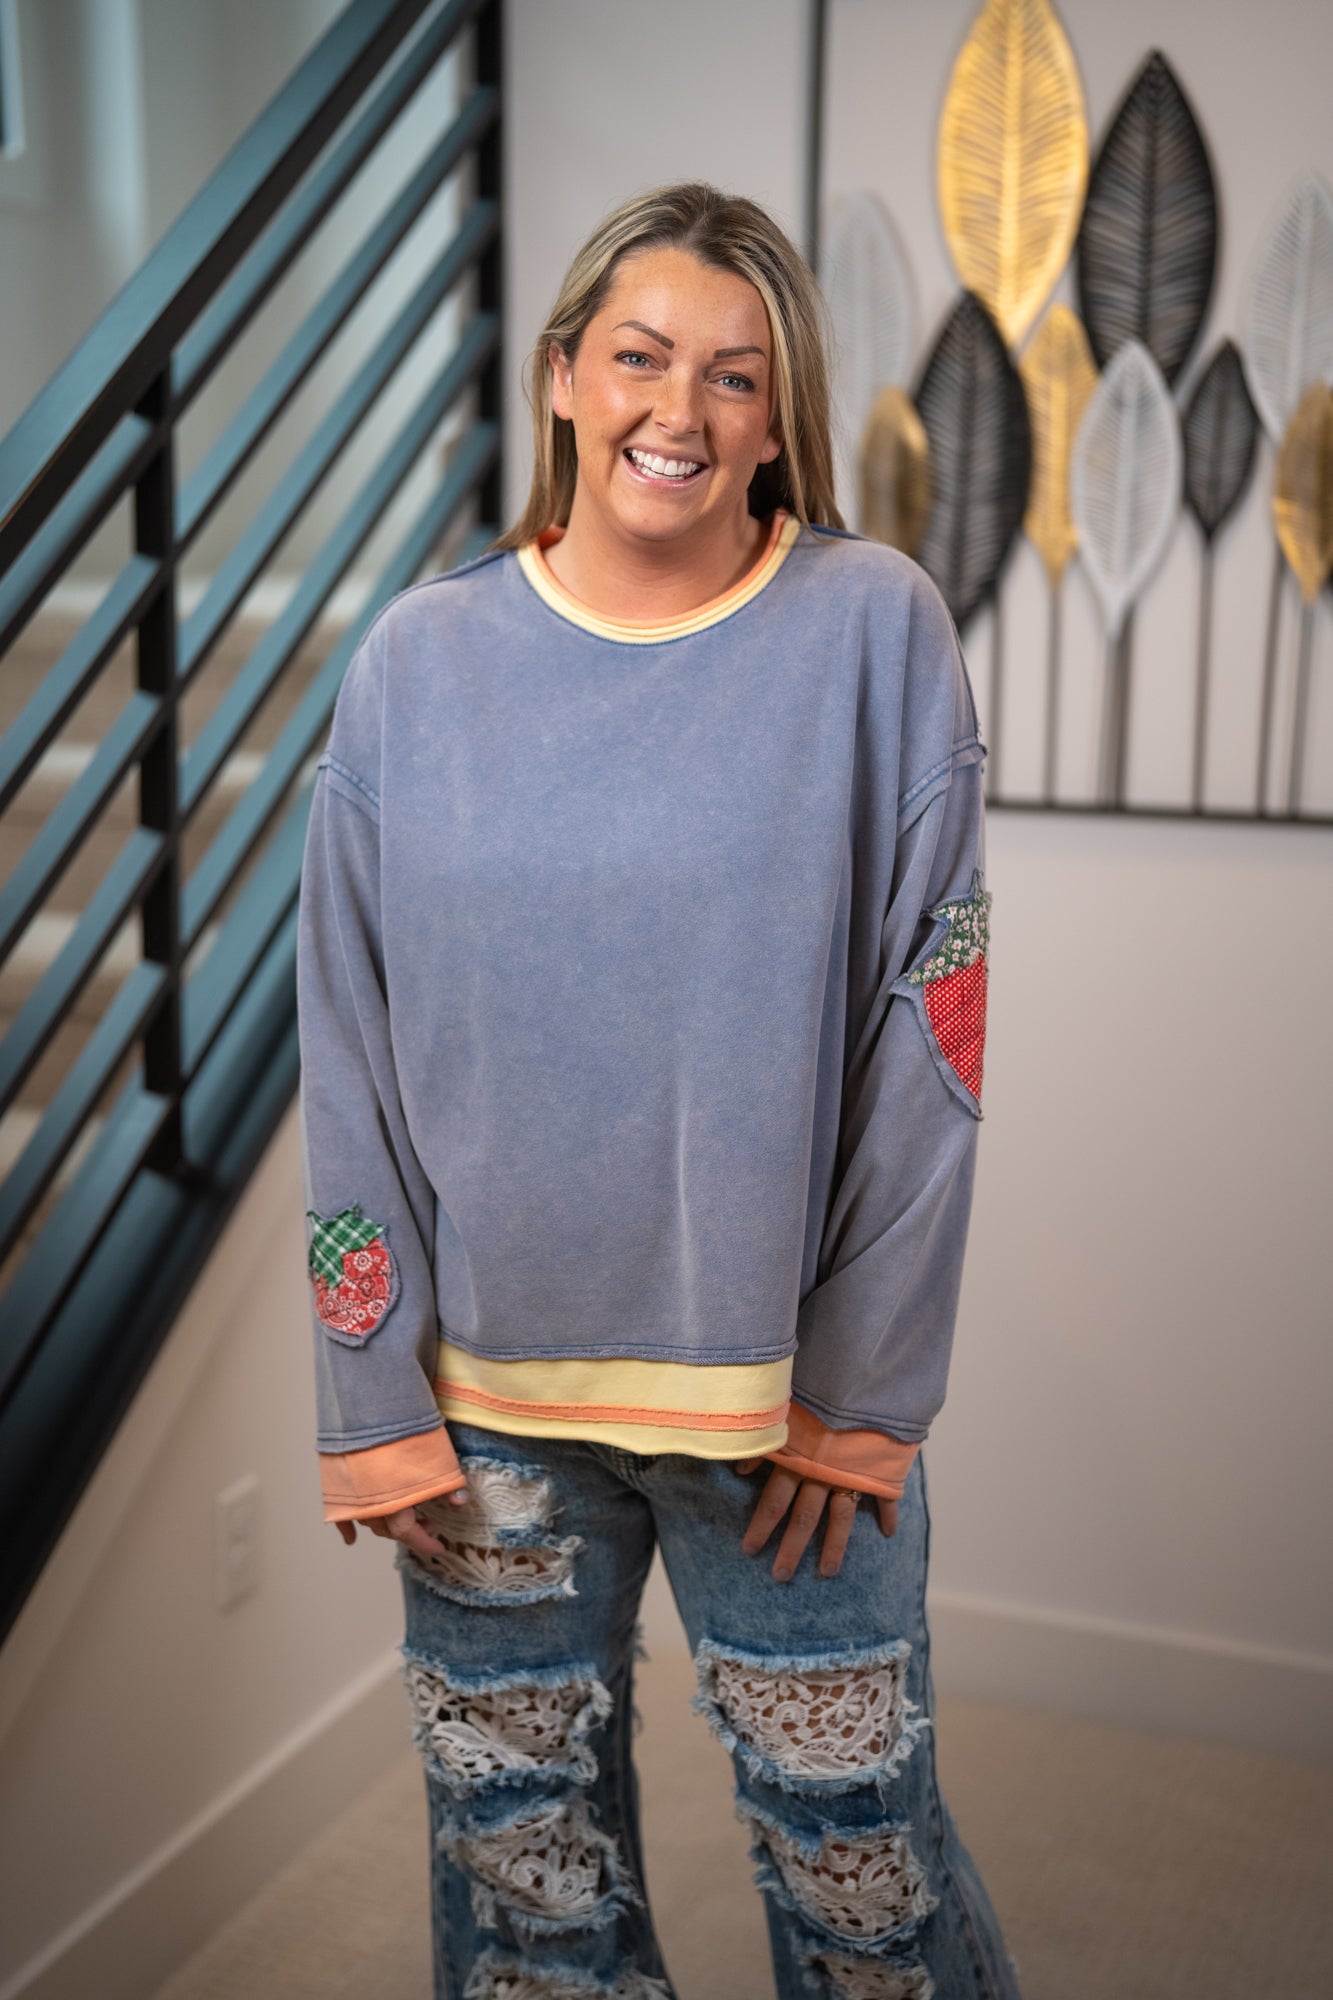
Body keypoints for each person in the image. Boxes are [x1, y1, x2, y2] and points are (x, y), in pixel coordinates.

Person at [296, 181, 1021, 2000]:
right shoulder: (414, 664)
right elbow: (348, 1049)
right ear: (560, 377)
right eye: (635, 358)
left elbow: (932, 1041)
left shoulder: (872, 632)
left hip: (788, 1425)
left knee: (865, 1894)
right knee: (530, 1899)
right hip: (483, 1431)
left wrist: (867, 1392)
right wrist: (362, 1389)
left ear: (777, 417)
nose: (674, 413)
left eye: (731, 375)